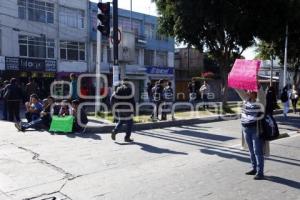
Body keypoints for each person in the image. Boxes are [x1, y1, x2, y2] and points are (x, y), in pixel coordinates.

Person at [235, 85, 268, 180]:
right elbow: (239, 90)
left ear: (254, 92)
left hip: (256, 130)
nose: (247, 91)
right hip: (246, 129)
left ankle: (260, 172)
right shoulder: (246, 99)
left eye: (250, 90)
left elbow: (262, 94)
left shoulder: (260, 102)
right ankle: (254, 168)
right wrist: (233, 79)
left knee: (258, 151)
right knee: (251, 150)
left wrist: (258, 84)